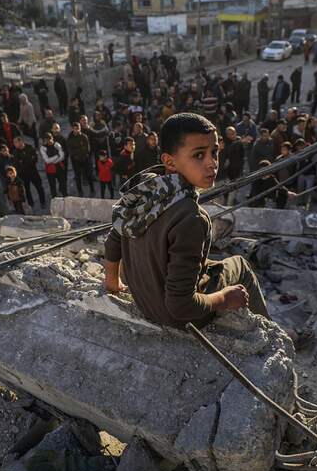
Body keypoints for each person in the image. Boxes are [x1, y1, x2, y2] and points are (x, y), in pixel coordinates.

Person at [103, 113, 269, 328]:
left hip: (144, 301)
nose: (212, 163)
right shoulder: (192, 218)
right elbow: (180, 306)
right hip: (177, 318)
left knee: (208, 263)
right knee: (240, 265)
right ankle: (267, 327)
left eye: (214, 152)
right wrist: (225, 298)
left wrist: (112, 281)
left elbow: (115, 237)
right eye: (199, 155)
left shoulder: (146, 189)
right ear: (169, 161)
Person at [12, 137, 46, 209]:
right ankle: (31, 203)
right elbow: (16, 164)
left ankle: (43, 202)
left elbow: (34, 159)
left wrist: (23, 162)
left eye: (16, 142)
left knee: (39, 187)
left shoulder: (29, 148)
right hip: (23, 174)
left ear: (20, 141)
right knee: (27, 190)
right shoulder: (15, 152)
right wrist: (24, 162)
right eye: (14, 143)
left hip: (33, 172)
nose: (15, 144)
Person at [67, 122, 95, 196]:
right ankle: (80, 191)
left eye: (78, 128)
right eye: (75, 128)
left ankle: (92, 189)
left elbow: (87, 149)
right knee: (78, 176)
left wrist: (78, 150)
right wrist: (79, 150)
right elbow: (70, 150)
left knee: (89, 175)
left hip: (85, 159)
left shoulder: (84, 137)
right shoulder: (70, 138)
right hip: (75, 160)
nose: (77, 130)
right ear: (72, 129)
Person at [40, 132, 68, 198]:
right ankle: (54, 198)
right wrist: (56, 156)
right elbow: (47, 160)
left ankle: (65, 196)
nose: (49, 141)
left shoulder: (57, 145)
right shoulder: (43, 148)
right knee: (52, 185)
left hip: (59, 167)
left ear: (52, 138)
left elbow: (62, 156)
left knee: (63, 183)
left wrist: (53, 160)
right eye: (46, 140)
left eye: (49, 139)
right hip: (50, 169)